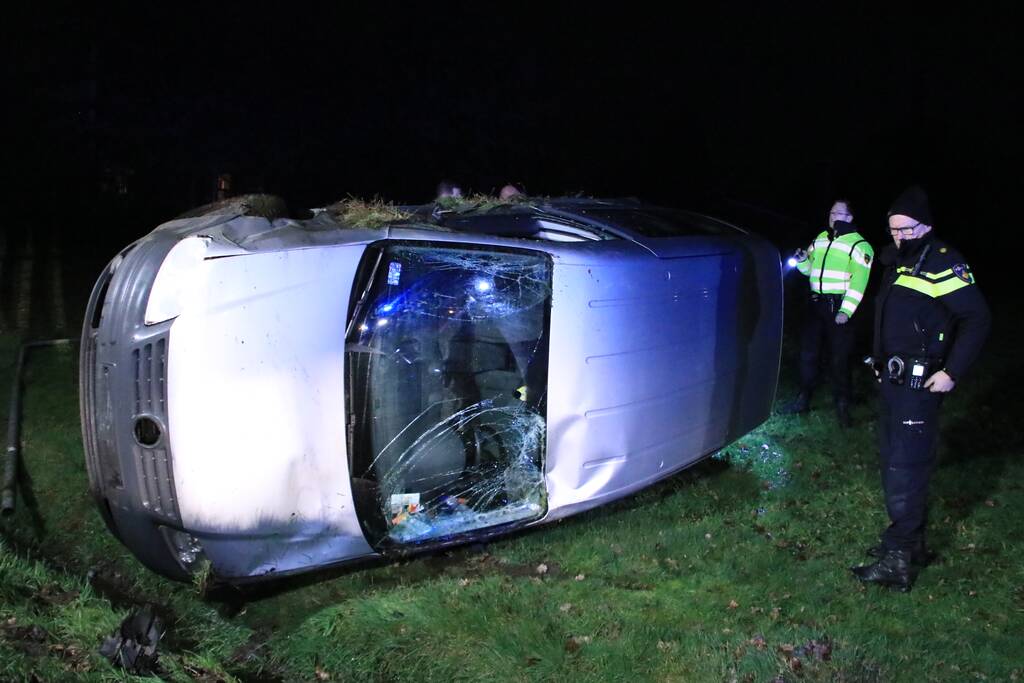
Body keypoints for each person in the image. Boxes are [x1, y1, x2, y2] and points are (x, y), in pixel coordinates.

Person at [852, 186, 991, 591]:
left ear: (926, 226)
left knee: (904, 469)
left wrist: (952, 372)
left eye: (907, 229)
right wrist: (881, 363)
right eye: (894, 230)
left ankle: (897, 560)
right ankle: (913, 546)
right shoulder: (898, 262)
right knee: (894, 460)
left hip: (921, 384)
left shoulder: (942, 262)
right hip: (894, 381)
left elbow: (977, 319)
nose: (900, 236)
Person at [783, 199, 874, 427]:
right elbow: (809, 270)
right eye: (832, 212)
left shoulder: (860, 246)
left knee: (839, 359)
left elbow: (859, 283)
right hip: (815, 306)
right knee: (808, 354)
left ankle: (843, 405)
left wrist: (846, 311)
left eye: (839, 213)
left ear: (850, 217)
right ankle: (803, 399)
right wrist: (803, 261)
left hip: (839, 308)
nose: (833, 216)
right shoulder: (821, 238)